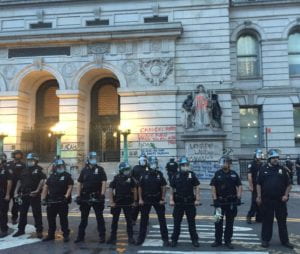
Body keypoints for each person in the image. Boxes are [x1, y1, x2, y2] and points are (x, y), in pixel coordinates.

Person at [256, 149, 293, 249]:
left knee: (282, 222)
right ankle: (265, 240)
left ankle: (285, 241)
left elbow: (289, 184)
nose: (276, 160)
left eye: (277, 158)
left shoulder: (283, 169)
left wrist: (286, 195)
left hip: (280, 200)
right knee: (267, 221)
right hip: (267, 200)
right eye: (273, 158)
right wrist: (258, 196)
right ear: (269, 159)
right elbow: (259, 184)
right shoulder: (263, 169)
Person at [210, 155, 243, 249]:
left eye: (226, 162)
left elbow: (239, 186)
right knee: (217, 222)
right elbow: (213, 187)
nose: (224, 164)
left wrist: (239, 198)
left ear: (229, 164)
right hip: (219, 202)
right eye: (223, 162)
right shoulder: (217, 174)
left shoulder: (234, 174)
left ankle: (228, 241)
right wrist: (215, 199)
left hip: (231, 203)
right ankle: (218, 240)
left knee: (229, 223)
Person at [135, 156, 169, 246]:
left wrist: (162, 198)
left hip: (158, 199)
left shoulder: (159, 174)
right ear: (149, 164)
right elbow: (140, 187)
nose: (153, 165)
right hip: (146, 199)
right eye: (152, 163)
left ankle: (165, 239)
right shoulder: (143, 174)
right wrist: (141, 199)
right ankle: (140, 239)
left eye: (155, 163)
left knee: (162, 220)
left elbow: (164, 186)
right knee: (143, 220)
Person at [75, 151, 107, 243]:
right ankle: (80, 236)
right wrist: (78, 195)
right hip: (85, 197)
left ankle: (102, 236)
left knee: (99, 217)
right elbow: (79, 183)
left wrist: (102, 194)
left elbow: (104, 182)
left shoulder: (100, 169)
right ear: (88, 159)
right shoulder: (84, 170)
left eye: (95, 158)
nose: (94, 160)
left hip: (97, 196)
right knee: (83, 218)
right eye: (92, 158)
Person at [13, 153, 46, 238]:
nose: (30, 162)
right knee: (23, 213)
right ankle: (21, 230)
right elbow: (19, 181)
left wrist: (37, 190)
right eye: (29, 160)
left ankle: (39, 230)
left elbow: (42, 180)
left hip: (34, 194)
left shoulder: (39, 169)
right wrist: (16, 192)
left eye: (31, 160)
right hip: (24, 194)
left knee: (37, 213)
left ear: (36, 161)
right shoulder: (24, 170)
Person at [169, 156, 200, 247]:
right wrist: (171, 199)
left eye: (186, 165)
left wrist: (197, 199)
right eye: (183, 165)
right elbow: (171, 187)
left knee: (191, 223)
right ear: (180, 166)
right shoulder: (175, 175)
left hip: (190, 202)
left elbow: (197, 186)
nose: (185, 166)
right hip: (179, 202)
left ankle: (194, 240)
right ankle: (174, 240)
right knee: (177, 223)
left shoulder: (192, 174)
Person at [41, 159, 73, 242]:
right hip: (51, 201)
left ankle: (65, 235)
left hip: (62, 201)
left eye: (62, 166)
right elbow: (46, 187)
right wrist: (43, 198)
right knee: (51, 219)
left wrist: (66, 197)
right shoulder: (52, 176)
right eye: (59, 166)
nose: (61, 167)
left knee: (63, 219)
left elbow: (70, 187)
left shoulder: (67, 176)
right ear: (55, 167)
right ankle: (51, 235)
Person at [107, 162, 137, 245]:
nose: (128, 171)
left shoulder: (131, 178)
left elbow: (134, 189)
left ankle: (130, 237)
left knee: (129, 221)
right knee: (115, 221)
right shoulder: (116, 178)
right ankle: (113, 237)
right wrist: (112, 201)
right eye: (126, 170)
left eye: (128, 170)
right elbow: (110, 189)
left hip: (128, 202)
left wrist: (134, 201)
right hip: (118, 202)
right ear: (121, 170)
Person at [7, 150, 26, 225]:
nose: (18, 156)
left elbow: (24, 175)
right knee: (5, 204)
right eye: (16, 154)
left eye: (19, 154)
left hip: (17, 187)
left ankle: (14, 218)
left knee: (16, 204)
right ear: (13, 155)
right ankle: (3, 218)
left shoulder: (23, 164)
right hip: (8, 187)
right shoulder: (8, 164)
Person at [246, 149, 263, 224]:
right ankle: (249, 216)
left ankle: (259, 217)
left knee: (261, 202)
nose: (260, 156)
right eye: (258, 155)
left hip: (262, 186)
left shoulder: (262, 164)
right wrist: (251, 186)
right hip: (255, 185)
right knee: (254, 202)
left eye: (260, 155)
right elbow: (249, 176)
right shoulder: (252, 164)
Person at [131, 154, 148, 225]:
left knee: (145, 206)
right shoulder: (135, 168)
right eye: (141, 160)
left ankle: (145, 220)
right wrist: (135, 180)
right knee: (136, 206)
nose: (143, 161)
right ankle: (133, 220)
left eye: (144, 160)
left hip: (145, 190)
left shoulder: (148, 168)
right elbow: (131, 176)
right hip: (136, 189)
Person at [0, 153, 12, 238]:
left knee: (3, 213)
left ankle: (4, 230)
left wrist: (7, 194)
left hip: (3, 194)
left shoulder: (7, 169)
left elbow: (9, 182)